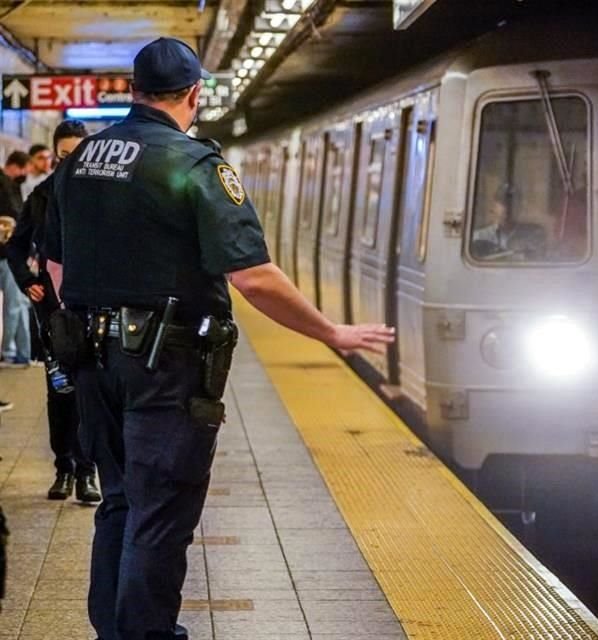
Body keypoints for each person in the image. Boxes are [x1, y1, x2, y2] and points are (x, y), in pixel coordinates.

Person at [45, 37, 394, 640]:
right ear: (195, 95)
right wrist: (330, 331)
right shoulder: (194, 165)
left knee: (119, 504)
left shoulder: (80, 161)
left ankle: (116, 630)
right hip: (164, 366)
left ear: (132, 90)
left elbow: (56, 267)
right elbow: (253, 278)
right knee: (159, 515)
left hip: (92, 360)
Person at [8, 120, 101, 503]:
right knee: (60, 388)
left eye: (77, 155)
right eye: (63, 156)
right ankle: (64, 468)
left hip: (94, 306)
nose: (70, 163)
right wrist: (26, 280)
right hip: (54, 311)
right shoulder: (42, 197)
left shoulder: (104, 195)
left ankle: (88, 471)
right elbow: (16, 246)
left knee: (91, 391)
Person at [0, 151, 32, 366]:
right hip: (6, 254)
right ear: (15, 166)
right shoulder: (3, 186)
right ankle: (10, 351)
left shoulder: (11, 185)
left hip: (12, 253)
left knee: (19, 303)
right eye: (24, 169)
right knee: (14, 305)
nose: (25, 174)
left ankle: (22, 352)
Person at [471, 187, 546, 260]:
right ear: (494, 207)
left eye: (512, 203)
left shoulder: (533, 235)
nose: (508, 208)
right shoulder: (478, 236)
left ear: (520, 207)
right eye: (503, 203)